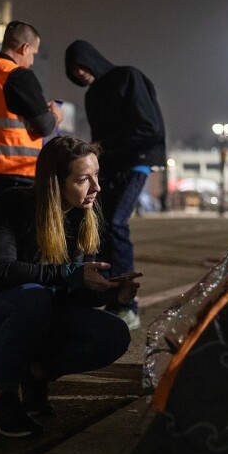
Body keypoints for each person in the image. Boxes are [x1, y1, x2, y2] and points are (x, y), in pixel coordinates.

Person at [0, 136, 135, 437]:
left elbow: (72, 292)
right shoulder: (15, 204)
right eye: (84, 179)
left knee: (114, 333)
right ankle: (2, 401)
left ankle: (34, 374)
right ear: (55, 182)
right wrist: (72, 274)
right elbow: (5, 269)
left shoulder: (81, 216)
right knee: (32, 297)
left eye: (96, 175)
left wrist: (109, 291)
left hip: (41, 319)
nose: (96, 188)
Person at [64, 40, 166, 331]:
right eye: (73, 71)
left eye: (81, 65)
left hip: (136, 161)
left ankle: (126, 305)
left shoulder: (128, 77)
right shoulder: (92, 95)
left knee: (117, 222)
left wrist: (111, 146)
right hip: (109, 167)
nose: (80, 73)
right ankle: (106, 298)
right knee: (100, 226)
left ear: (91, 59)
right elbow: (98, 136)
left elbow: (151, 126)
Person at [0, 20, 64, 204]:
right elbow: (45, 126)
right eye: (33, 54)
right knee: (14, 230)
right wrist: (56, 115)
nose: (32, 61)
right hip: (14, 171)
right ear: (25, 48)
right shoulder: (18, 75)